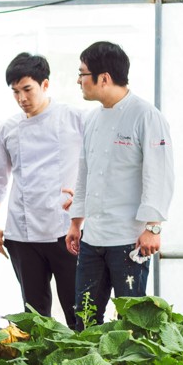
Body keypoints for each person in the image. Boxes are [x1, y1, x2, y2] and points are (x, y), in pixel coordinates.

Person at [65, 41, 174, 327]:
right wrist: (76, 222)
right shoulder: (92, 120)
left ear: (104, 78)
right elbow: (85, 172)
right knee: (85, 318)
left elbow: (159, 174)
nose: (78, 80)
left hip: (129, 240)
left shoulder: (146, 115)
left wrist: (152, 228)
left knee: (132, 322)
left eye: (82, 73)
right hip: (93, 239)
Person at [0, 52, 85, 329]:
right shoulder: (9, 128)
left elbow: (101, 164)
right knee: (34, 316)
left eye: (27, 89)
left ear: (45, 85)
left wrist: (88, 203)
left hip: (67, 232)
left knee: (79, 312)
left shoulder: (75, 119)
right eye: (15, 92)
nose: (21, 98)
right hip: (22, 235)